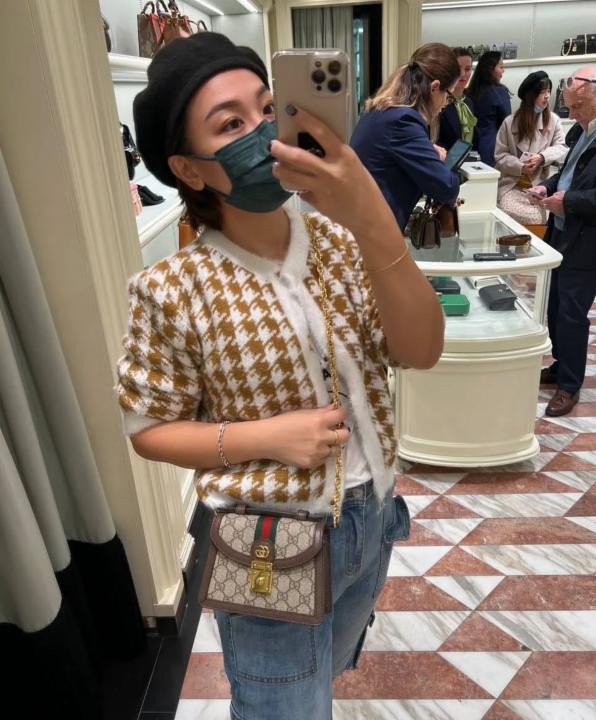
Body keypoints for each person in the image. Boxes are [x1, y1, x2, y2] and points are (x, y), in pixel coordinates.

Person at [115, 33, 444, 720]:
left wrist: (373, 222)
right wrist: (266, 437)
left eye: (268, 109)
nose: (263, 133)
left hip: (374, 517)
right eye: (229, 124)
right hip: (267, 542)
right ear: (190, 168)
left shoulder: (341, 242)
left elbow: (421, 350)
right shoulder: (172, 289)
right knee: (285, 711)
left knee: (326, 675)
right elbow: (147, 429)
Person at [529, 67, 596, 416]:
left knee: (571, 311)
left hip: (586, 241)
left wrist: (567, 201)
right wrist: (548, 187)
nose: (572, 114)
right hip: (562, 232)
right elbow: (569, 174)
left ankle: (569, 385)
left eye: (578, 106)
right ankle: (560, 364)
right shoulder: (583, 131)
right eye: (569, 106)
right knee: (554, 306)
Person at [350, 43, 461, 231]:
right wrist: (439, 164)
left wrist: (426, 150)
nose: (446, 104)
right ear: (435, 87)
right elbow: (446, 187)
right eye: (449, 96)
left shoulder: (382, 112)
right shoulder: (403, 121)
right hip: (373, 234)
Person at [494, 71, 567, 227]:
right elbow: (500, 156)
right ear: (530, 95)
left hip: (538, 186)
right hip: (512, 185)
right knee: (509, 211)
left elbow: (562, 147)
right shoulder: (509, 122)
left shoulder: (554, 120)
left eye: (548, 91)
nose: (547, 96)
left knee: (537, 218)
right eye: (542, 92)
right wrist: (520, 167)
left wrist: (542, 157)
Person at [466, 50, 512, 165]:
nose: (503, 70)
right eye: (501, 67)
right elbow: (506, 122)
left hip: (468, 146)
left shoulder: (469, 92)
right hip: (491, 147)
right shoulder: (499, 92)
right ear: (490, 69)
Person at [437, 46, 477, 151]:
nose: (462, 74)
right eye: (458, 69)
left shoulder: (469, 102)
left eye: (467, 69)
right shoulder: (438, 102)